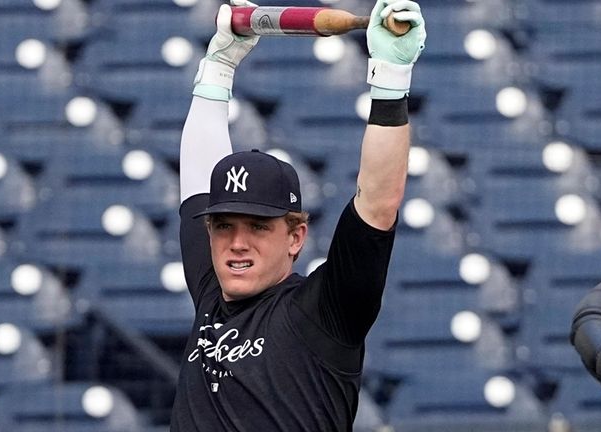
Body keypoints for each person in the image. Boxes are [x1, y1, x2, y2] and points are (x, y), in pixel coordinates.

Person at [171, 0, 426, 429]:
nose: (237, 242)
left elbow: (378, 204)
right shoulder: (212, 290)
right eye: (223, 226)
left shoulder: (325, 311)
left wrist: (391, 80)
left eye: (257, 226)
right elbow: (197, 184)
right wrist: (217, 68)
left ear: (296, 236)